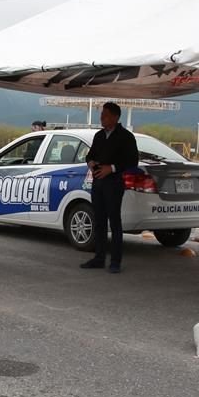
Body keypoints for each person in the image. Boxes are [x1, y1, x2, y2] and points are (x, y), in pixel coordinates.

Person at [80, 102, 139, 274]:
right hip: (98, 182)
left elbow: (132, 162)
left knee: (114, 221)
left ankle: (115, 261)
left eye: (105, 115)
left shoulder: (126, 137)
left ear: (115, 117)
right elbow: (91, 154)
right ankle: (99, 257)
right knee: (99, 221)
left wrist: (111, 168)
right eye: (101, 115)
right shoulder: (99, 135)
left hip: (114, 183)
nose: (102, 118)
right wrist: (91, 162)